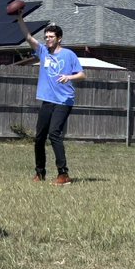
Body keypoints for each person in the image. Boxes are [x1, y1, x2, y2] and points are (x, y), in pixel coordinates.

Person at [14, 14, 84, 183]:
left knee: (54, 134)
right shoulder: (43, 52)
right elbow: (29, 37)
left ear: (59, 38)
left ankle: (63, 174)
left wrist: (69, 77)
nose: (48, 39)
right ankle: (40, 173)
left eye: (51, 37)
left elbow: (82, 74)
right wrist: (20, 18)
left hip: (64, 101)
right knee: (39, 137)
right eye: (46, 37)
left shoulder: (69, 55)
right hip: (48, 100)